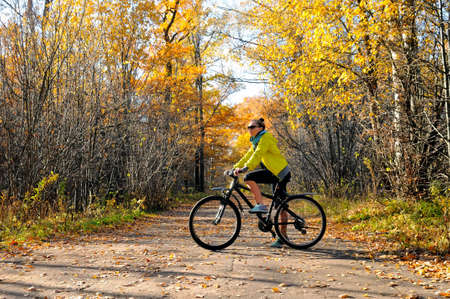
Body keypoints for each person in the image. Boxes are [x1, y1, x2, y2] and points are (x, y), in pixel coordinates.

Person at [233, 118, 291, 248]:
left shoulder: (265, 138)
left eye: (252, 127)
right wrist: (235, 167)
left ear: (260, 128)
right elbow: (248, 155)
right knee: (248, 178)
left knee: (280, 206)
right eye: (248, 127)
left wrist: (246, 168)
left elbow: (257, 155)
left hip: (280, 173)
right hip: (273, 172)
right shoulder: (255, 141)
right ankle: (261, 205)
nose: (249, 129)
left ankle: (283, 237)